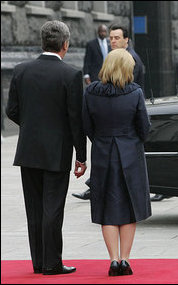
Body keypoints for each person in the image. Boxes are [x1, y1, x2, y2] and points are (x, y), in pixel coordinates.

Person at [6, 20, 87, 275]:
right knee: (53, 207)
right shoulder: (71, 74)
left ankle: (39, 261)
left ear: (43, 42)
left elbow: (12, 111)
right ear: (65, 44)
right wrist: (81, 156)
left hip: (28, 150)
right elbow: (76, 119)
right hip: (56, 151)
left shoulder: (20, 70)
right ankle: (52, 263)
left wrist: (30, 127)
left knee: (34, 208)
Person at [82, 48, 151, 276]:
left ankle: (112, 260)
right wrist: (131, 140)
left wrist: (102, 140)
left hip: (102, 152)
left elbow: (87, 125)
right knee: (129, 207)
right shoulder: (135, 93)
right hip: (130, 153)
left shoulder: (91, 92)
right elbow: (144, 128)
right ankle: (125, 259)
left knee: (107, 207)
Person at [73, 24, 146, 201]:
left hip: (121, 142)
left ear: (126, 40)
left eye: (117, 38)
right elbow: (88, 121)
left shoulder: (131, 61)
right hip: (114, 142)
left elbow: (134, 111)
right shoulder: (94, 90)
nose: (113, 41)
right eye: (111, 38)